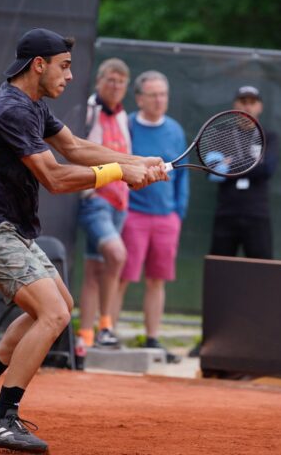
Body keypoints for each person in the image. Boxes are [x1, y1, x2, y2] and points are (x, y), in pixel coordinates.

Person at [0, 28, 167, 453]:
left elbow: (76, 147)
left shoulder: (32, 105)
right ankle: (2, 419)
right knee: (52, 314)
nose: (70, 75)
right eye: (64, 66)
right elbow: (54, 177)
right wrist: (121, 173)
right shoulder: (11, 109)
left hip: (9, 231)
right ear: (39, 65)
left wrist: (137, 160)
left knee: (60, 306)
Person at [112, 70, 189, 364]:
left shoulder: (175, 130)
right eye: (153, 94)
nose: (159, 100)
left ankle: (153, 339)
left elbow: (182, 177)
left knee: (157, 280)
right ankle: (110, 334)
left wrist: (177, 214)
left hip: (166, 218)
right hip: (133, 215)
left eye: (163, 94)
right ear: (139, 98)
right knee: (122, 277)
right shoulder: (127, 126)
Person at [76, 58, 132, 350]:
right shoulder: (88, 110)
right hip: (94, 200)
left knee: (94, 269)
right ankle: (106, 326)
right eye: (110, 80)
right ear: (99, 81)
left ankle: (85, 337)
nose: (115, 86)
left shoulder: (124, 116)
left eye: (121, 81)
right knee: (117, 255)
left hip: (119, 202)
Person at [209, 85, 279, 259]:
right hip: (226, 213)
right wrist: (252, 166)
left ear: (260, 107)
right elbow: (213, 172)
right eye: (243, 101)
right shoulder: (220, 134)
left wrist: (229, 164)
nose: (248, 106)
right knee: (221, 270)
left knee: (261, 272)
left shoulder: (269, 137)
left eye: (252, 102)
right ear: (235, 105)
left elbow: (267, 169)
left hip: (257, 214)